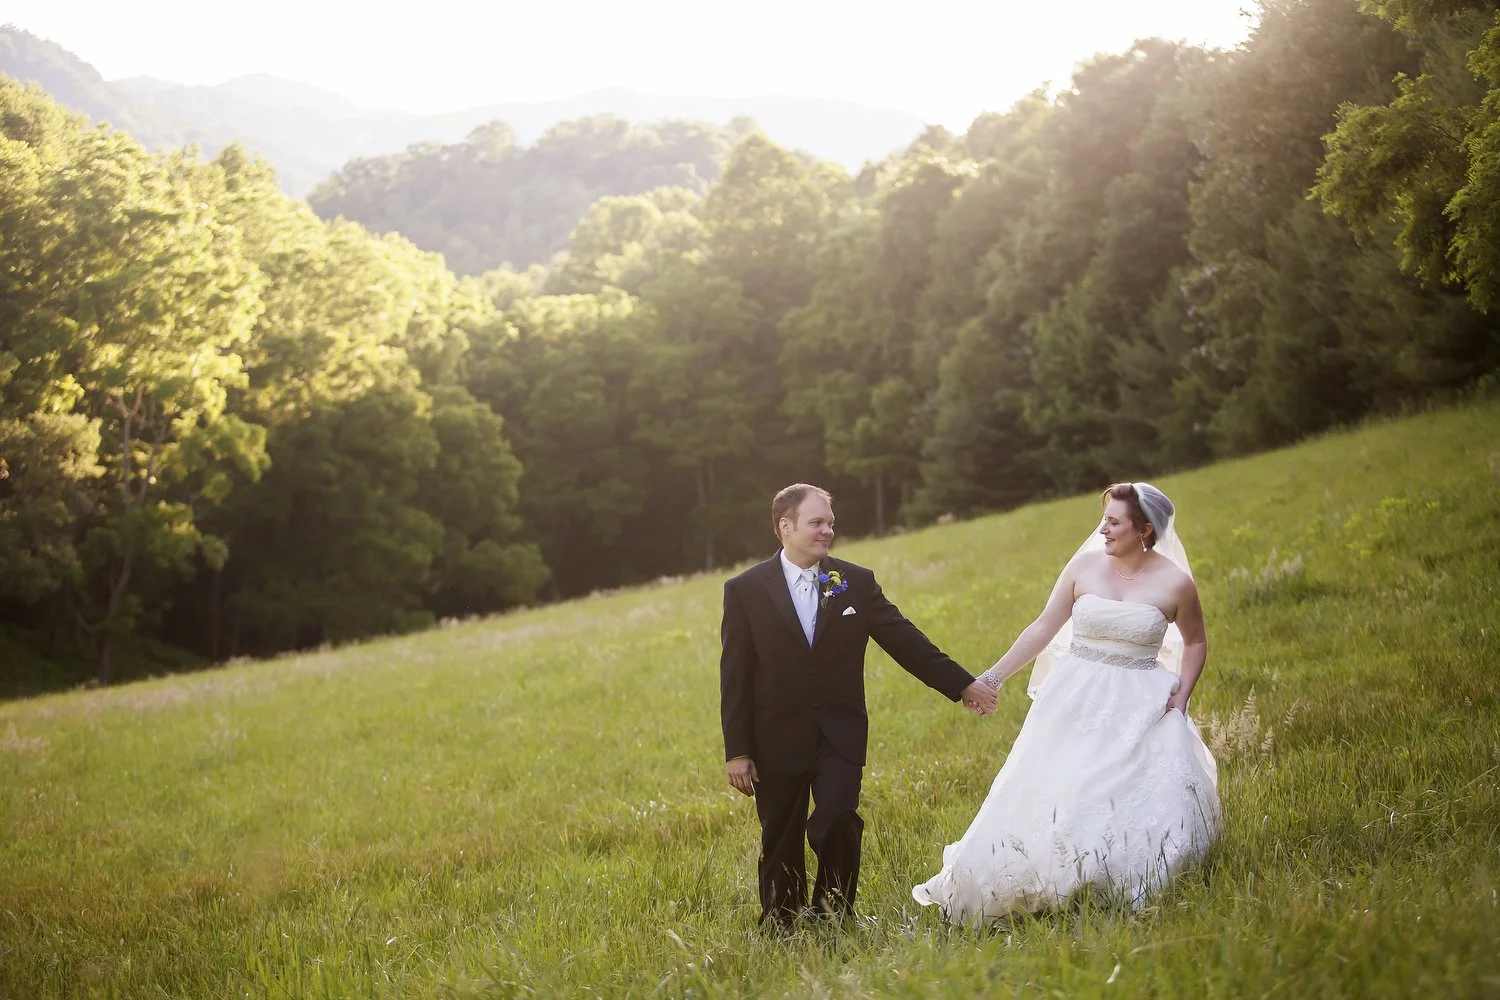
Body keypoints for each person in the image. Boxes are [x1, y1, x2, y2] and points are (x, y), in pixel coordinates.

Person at [912, 482, 1220, 925]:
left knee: (1121, 790)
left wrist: (1183, 694)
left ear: (1144, 529)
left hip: (1140, 702)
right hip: (1074, 695)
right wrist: (992, 678)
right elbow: (1042, 628)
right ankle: (1039, 875)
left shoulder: (1176, 584)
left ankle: (1111, 879)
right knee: (1056, 785)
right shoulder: (1084, 567)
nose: (1103, 529)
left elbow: (1195, 642)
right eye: (1104, 519)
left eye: (1113, 522)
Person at [721, 483, 998, 929]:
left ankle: (834, 915)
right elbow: (734, 676)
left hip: (839, 733)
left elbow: (906, 640)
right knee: (780, 836)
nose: (828, 530)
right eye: (817, 522)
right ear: (785, 527)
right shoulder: (744, 590)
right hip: (774, 736)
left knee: (836, 818)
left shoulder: (855, 581)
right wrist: (738, 749)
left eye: (830, 522)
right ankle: (782, 923)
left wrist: (963, 684)